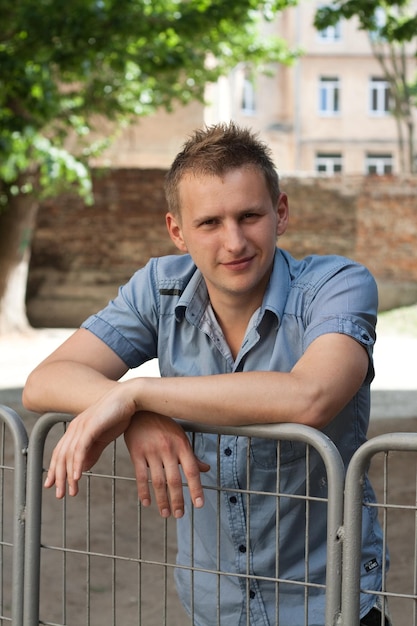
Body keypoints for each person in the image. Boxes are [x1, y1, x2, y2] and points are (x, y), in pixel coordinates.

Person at [23, 122, 390, 626]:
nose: (234, 241)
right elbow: (45, 380)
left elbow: (311, 396)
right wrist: (138, 415)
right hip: (215, 606)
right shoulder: (160, 287)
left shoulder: (337, 284)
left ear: (280, 213)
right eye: (210, 223)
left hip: (327, 603)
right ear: (177, 231)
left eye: (250, 216)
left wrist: (138, 396)